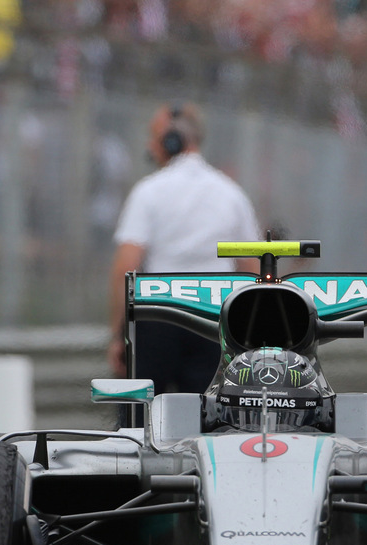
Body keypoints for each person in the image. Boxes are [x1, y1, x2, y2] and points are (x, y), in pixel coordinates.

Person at [106, 101, 260, 393]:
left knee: (139, 422)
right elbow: (251, 269)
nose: (150, 146)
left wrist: (120, 335)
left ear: (172, 141)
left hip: (158, 315)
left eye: (155, 136)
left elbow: (125, 266)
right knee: (212, 420)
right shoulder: (231, 194)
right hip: (216, 319)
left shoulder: (149, 191)